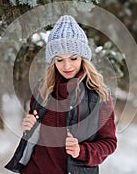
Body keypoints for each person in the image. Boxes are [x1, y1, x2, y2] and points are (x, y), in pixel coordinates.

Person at [20, 15, 117, 174]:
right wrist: (28, 126)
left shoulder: (99, 96)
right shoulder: (42, 89)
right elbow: (35, 133)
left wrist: (82, 151)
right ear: (53, 62)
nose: (67, 65)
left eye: (73, 58)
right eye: (59, 60)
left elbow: (109, 143)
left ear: (83, 58)